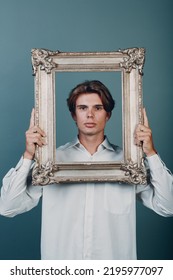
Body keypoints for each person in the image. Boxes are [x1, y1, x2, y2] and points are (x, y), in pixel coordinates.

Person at [0, 80, 173, 260]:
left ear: (108, 115)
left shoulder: (130, 163)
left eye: (98, 108)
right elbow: (7, 207)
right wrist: (29, 155)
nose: (90, 115)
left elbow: (168, 206)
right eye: (82, 108)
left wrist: (151, 153)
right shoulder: (51, 161)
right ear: (74, 115)